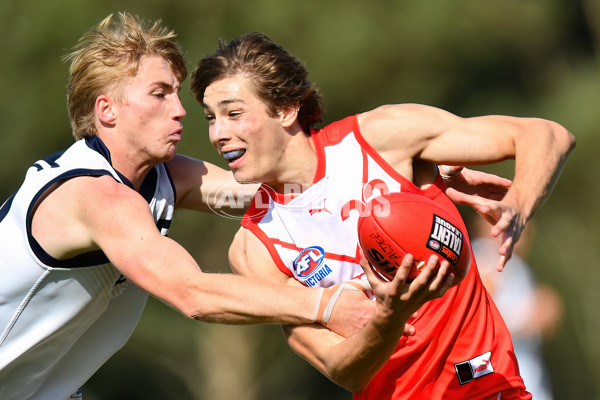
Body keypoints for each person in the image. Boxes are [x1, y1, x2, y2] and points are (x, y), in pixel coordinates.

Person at [0, 14, 393, 400]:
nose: (180, 108)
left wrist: (403, 175)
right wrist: (324, 305)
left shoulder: (164, 177)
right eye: (159, 93)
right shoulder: (94, 195)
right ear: (107, 110)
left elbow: (287, 193)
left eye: (176, 92)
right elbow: (193, 294)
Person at [190, 32, 575, 399]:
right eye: (211, 118)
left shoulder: (383, 139)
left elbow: (546, 135)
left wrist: (518, 204)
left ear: (287, 108)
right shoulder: (254, 248)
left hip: (487, 388)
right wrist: (389, 316)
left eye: (233, 113)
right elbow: (343, 370)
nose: (218, 133)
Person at [471, 218, 563, 400]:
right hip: (502, 386)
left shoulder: (516, 265)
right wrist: (531, 317)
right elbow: (479, 322)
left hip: (526, 381)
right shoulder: (485, 257)